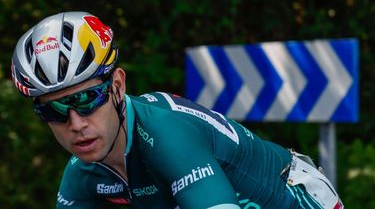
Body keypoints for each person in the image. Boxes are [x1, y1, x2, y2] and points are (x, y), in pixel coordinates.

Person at [11, 11, 344, 209]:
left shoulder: (167, 134)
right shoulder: (82, 174)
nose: (76, 123)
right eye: (54, 111)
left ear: (118, 87)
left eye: (86, 100)